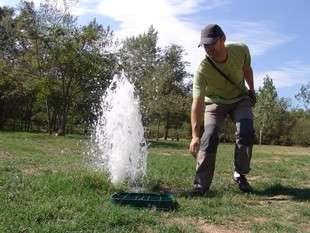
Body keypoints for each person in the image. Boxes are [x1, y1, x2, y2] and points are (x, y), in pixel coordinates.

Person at [189, 24, 256, 195]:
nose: (208, 48)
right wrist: (195, 136)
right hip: (215, 104)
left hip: (240, 99)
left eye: (211, 43)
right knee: (209, 135)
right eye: (204, 45)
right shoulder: (202, 69)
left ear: (223, 39)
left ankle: (239, 173)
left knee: (246, 130)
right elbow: (197, 102)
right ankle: (201, 184)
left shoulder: (240, 50)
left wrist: (252, 90)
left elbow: (246, 69)